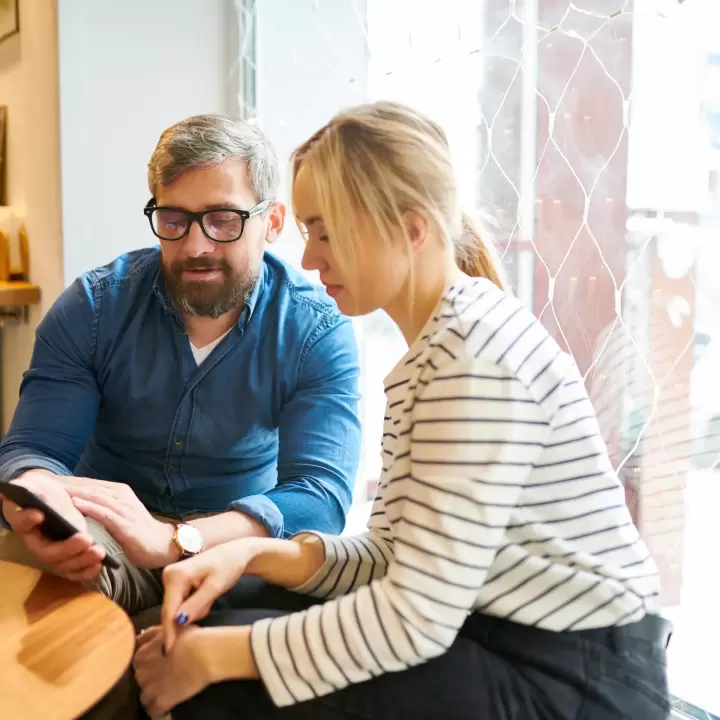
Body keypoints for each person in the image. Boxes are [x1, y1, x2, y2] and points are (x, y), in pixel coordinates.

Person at [132, 102, 671, 720]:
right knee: (229, 606)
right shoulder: (439, 348)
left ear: (412, 229)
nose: (309, 260)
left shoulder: (475, 357)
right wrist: (245, 556)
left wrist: (212, 658)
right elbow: (391, 559)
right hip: (491, 631)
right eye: (308, 233)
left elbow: (414, 617)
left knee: (218, 680)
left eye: (326, 232)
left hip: (576, 679)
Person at [0, 114, 362, 620]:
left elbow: (320, 496)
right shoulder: (94, 307)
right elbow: (33, 451)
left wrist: (177, 540)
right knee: (29, 604)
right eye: (173, 220)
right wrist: (37, 502)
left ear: (272, 223)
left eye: (222, 220)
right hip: (104, 539)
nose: (196, 246)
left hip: (231, 543)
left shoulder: (314, 330)